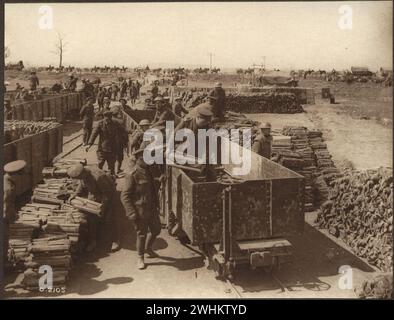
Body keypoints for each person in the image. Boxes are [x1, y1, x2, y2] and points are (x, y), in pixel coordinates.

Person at [121, 147, 161, 269]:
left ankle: (148, 248)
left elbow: (151, 187)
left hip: (152, 208)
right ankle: (140, 257)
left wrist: (159, 180)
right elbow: (125, 196)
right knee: (141, 234)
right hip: (140, 210)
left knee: (156, 230)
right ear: (140, 159)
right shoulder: (132, 175)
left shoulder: (148, 171)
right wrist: (131, 212)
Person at [67, 164, 120, 252]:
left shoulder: (98, 177)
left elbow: (108, 194)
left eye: (79, 177)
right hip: (95, 195)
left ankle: (115, 240)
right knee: (91, 219)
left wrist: (103, 206)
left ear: (83, 173)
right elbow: (81, 186)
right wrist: (74, 195)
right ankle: (93, 241)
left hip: (108, 197)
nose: (79, 179)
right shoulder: (83, 175)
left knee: (109, 219)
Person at [3, 160, 26, 266]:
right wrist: (13, 217)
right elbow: (6, 206)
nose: (20, 178)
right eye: (20, 175)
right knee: (3, 239)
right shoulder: (9, 189)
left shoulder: (4, 179)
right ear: (15, 175)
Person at [87, 110, 119, 176]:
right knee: (100, 163)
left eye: (109, 117)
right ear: (104, 117)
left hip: (113, 148)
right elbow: (94, 134)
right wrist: (90, 144)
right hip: (102, 148)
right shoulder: (100, 124)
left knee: (111, 165)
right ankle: (98, 178)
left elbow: (123, 130)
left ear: (111, 117)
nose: (107, 119)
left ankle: (112, 180)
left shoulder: (115, 123)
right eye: (106, 117)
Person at [111, 106, 129, 175]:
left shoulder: (110, 120)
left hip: (112, 142)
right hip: (119, 142)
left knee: (112, 157)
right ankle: (118, 170)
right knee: (120, 157)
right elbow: (124, 131)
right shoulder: (120, 121)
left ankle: (113, 171)